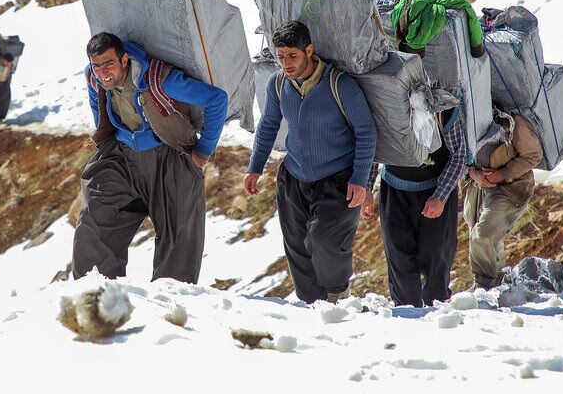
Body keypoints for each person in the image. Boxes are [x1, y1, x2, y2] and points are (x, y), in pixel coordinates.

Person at [73, 32, 228, 284]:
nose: (102, 72)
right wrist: (103, 131)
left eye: (109, 63)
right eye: (97, 65)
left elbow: (216, 99)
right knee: (96, 213)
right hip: (122, 156)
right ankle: (94, 292)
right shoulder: (95, 78)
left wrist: (204, 151)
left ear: (124, 60)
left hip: (168, 156)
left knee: (178, 236)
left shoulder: (158, 79)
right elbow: (96, 101)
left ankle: (169, 304)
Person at [244, 21, 377, 303]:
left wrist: (360, 180)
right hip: (293, 177)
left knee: (324, 240)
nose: (285, 63)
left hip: (338, 179)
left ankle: (338, 298)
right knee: (296, 247)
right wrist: (255, 167)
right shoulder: (278, 83)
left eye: (292, 56)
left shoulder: (340, 85)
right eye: (280, 57)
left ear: (309, 50)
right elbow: (268, 125)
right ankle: (309, 306)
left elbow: (367, 133)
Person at [363, 42, 467, 307]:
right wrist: (366, 189)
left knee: (435, 258)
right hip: (395, 190)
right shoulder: (383, 105)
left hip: (435, 190)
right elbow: (374, 148)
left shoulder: (444, 107)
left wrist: (440, 197)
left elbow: (458, 155)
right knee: (399, 257)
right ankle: (406, 314)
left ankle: (440, 315)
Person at [461, 109, 543, 289]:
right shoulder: (464, 118)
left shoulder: (511, 122)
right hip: (477, 186)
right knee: (487, 238)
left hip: (510, 188)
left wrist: (502, 174)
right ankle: (499, 284)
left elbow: (533, 154)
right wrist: (472, 173)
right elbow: (456, 154)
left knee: (483, 234)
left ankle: (484, 284)